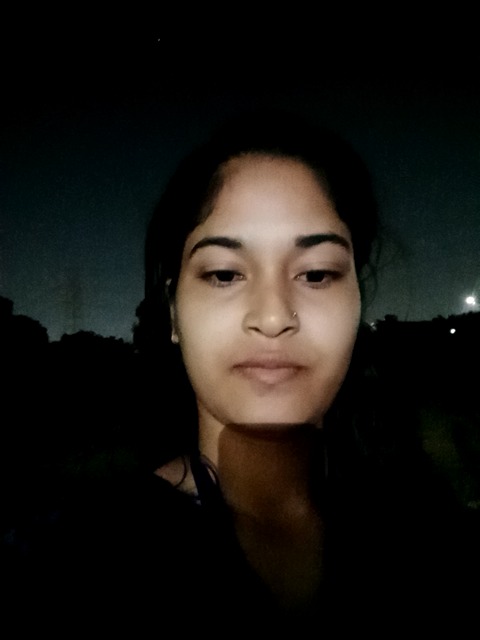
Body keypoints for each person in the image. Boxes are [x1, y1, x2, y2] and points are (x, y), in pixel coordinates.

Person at [2, 109, 474, 635]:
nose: (273, 317)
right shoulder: (74, 558)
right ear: (173, 313)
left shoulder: (425, 527)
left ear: (358, 301)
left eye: (317, 274)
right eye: (224, 274)